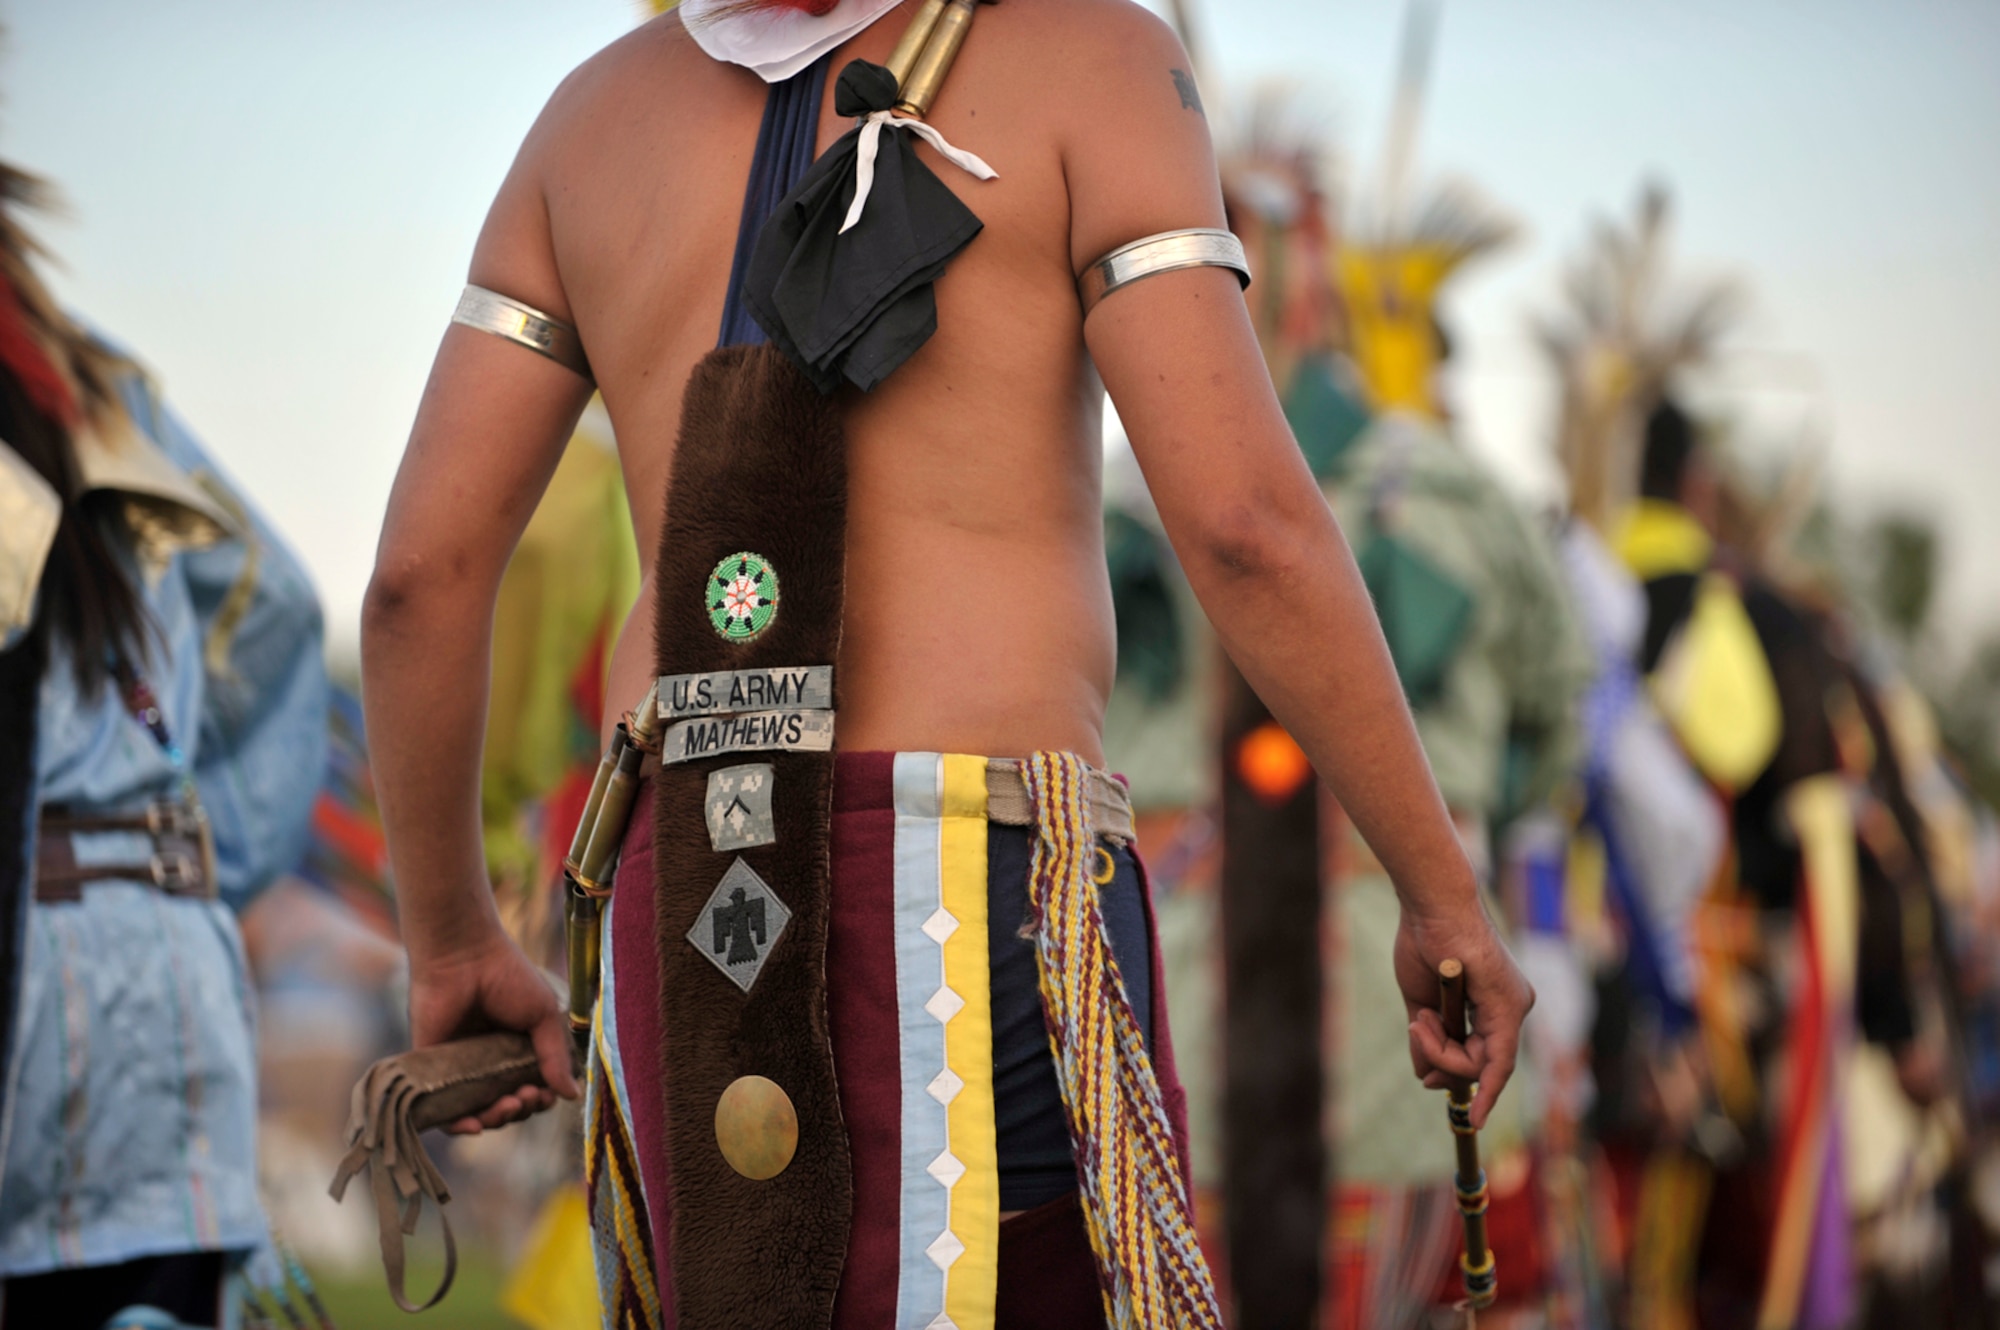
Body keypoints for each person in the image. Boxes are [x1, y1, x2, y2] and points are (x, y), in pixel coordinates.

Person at [361, 0, 1533, 1323]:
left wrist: (450, 932)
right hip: (980, 881)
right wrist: (1443, 897)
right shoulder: (1097, 56)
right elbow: (1248, 528)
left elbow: (420, 582)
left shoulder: (587, 123)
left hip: (679, 874)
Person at [0, 163, 328, 1328]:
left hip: (30, 967)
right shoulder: (92, 376)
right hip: (172, 958)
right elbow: (278, 603)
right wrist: (196, 869)